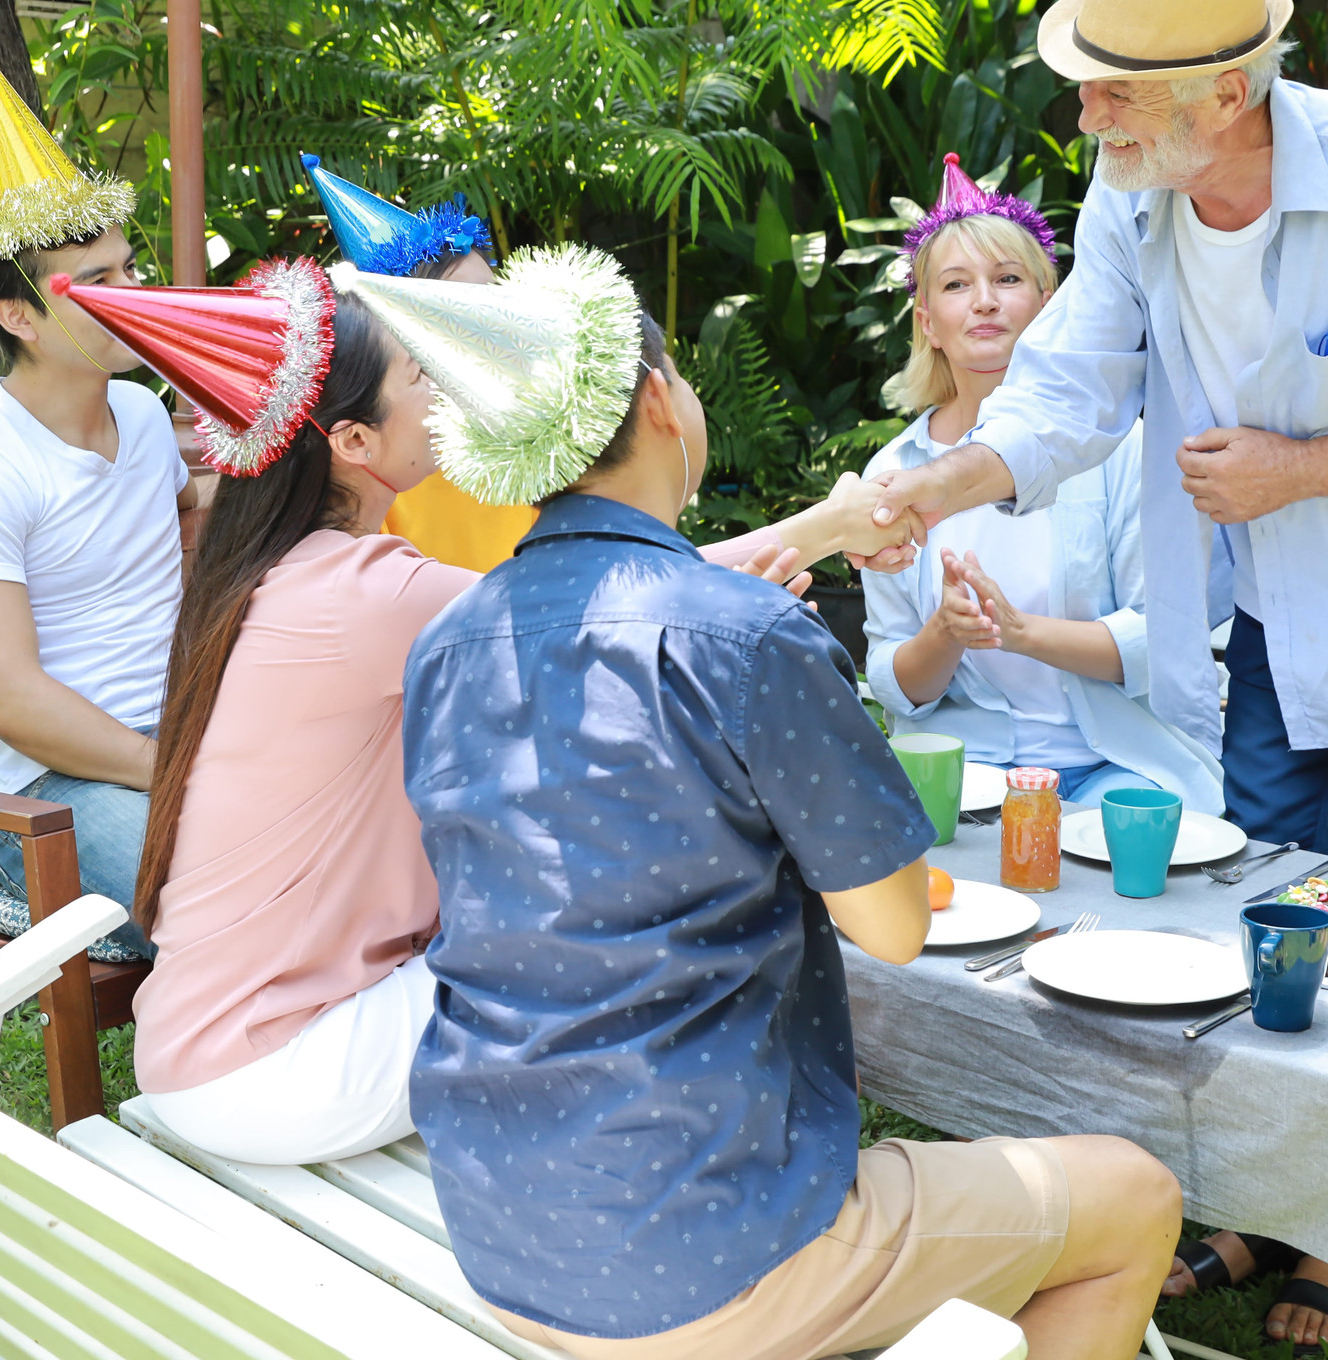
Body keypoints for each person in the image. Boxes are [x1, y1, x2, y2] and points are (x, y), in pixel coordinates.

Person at [862, 0, 1328, 1349]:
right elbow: (1064, 397)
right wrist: (923, 492)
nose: (1087, 110)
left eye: (1114, 87)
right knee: (1265, 897)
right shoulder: (1136, 190)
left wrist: (1302, 469)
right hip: (1264, 609)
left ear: (1227, 94)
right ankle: (1264, 1197)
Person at [402, 250, 1184, 1360]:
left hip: (499, 1223)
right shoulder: (745, 633)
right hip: (696, 1256)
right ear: (666, 400)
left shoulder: (448, 641)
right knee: (1136, 1196)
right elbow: (895, 925)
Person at [52, 249, 917, 1165]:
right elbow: (622, 594)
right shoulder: (358, 595)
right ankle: (739, 1182)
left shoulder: (276, 577)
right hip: (282, 1076)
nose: (452, 388)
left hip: (209, 1057)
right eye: (423, 375)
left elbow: (609, 595)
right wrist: (829, 525)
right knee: (646, 925)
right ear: (353, 442)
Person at [0, 40, 207, 961]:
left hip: (174, 736)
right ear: (16, 316)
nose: (135, 297)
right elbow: (9, 701)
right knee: (217, 891)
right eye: (97, 284)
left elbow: (187, 525)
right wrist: (176, 771)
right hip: (41, 799)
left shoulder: (141, 416)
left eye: (130, 271)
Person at [862, 153, 1222, 814]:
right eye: (955, 285)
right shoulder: (892, 477)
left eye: (1007, 278)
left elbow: (1161, 639)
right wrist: (944, 632)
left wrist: (1022, 632)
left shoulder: (1123, 451)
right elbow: (893, 685)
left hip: (1113, 768)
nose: (985, 301)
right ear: (925, 321)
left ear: (1051, 306)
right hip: (965, 773)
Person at [302, 153, 536, 572]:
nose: (492, 329)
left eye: (496, 305)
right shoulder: (385, 463)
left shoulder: (537, 414)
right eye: (461, 315)